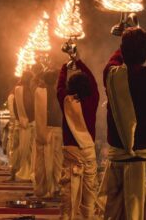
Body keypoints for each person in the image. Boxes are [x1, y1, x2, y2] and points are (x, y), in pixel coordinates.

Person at [99, 27, 146, 220]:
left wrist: (126, 37)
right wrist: (142, 39)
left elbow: (114, 60)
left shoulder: (111, 75)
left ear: (123, 50)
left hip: (119, 161)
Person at [57, 53, 99, 220]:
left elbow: (59, 87)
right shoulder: (93, 99)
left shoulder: (66, 101)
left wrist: (64, 67)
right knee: (89, 194)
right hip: (88, 152)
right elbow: (94, 82)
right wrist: (79, 61)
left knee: (68, 192)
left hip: (71, 152)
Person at [34, 69, 63, 198]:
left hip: (44, 131)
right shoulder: (61, 93)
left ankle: (43, 189)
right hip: (58, 130)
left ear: (44, 80)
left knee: (43, 162)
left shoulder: (40, 93)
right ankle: (56, 187)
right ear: (56, 80)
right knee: (57, 161)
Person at [13, 70, 36, 181]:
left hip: (22, 123)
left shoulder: (18, 89)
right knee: (27, 151)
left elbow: (15, 108)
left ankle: (19, 172)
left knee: (23, 150)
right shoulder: (26, 90)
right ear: (29, 79)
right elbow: (29, 107)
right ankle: (25, 173)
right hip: (28, 124)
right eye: (32, 79)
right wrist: (31, 120)